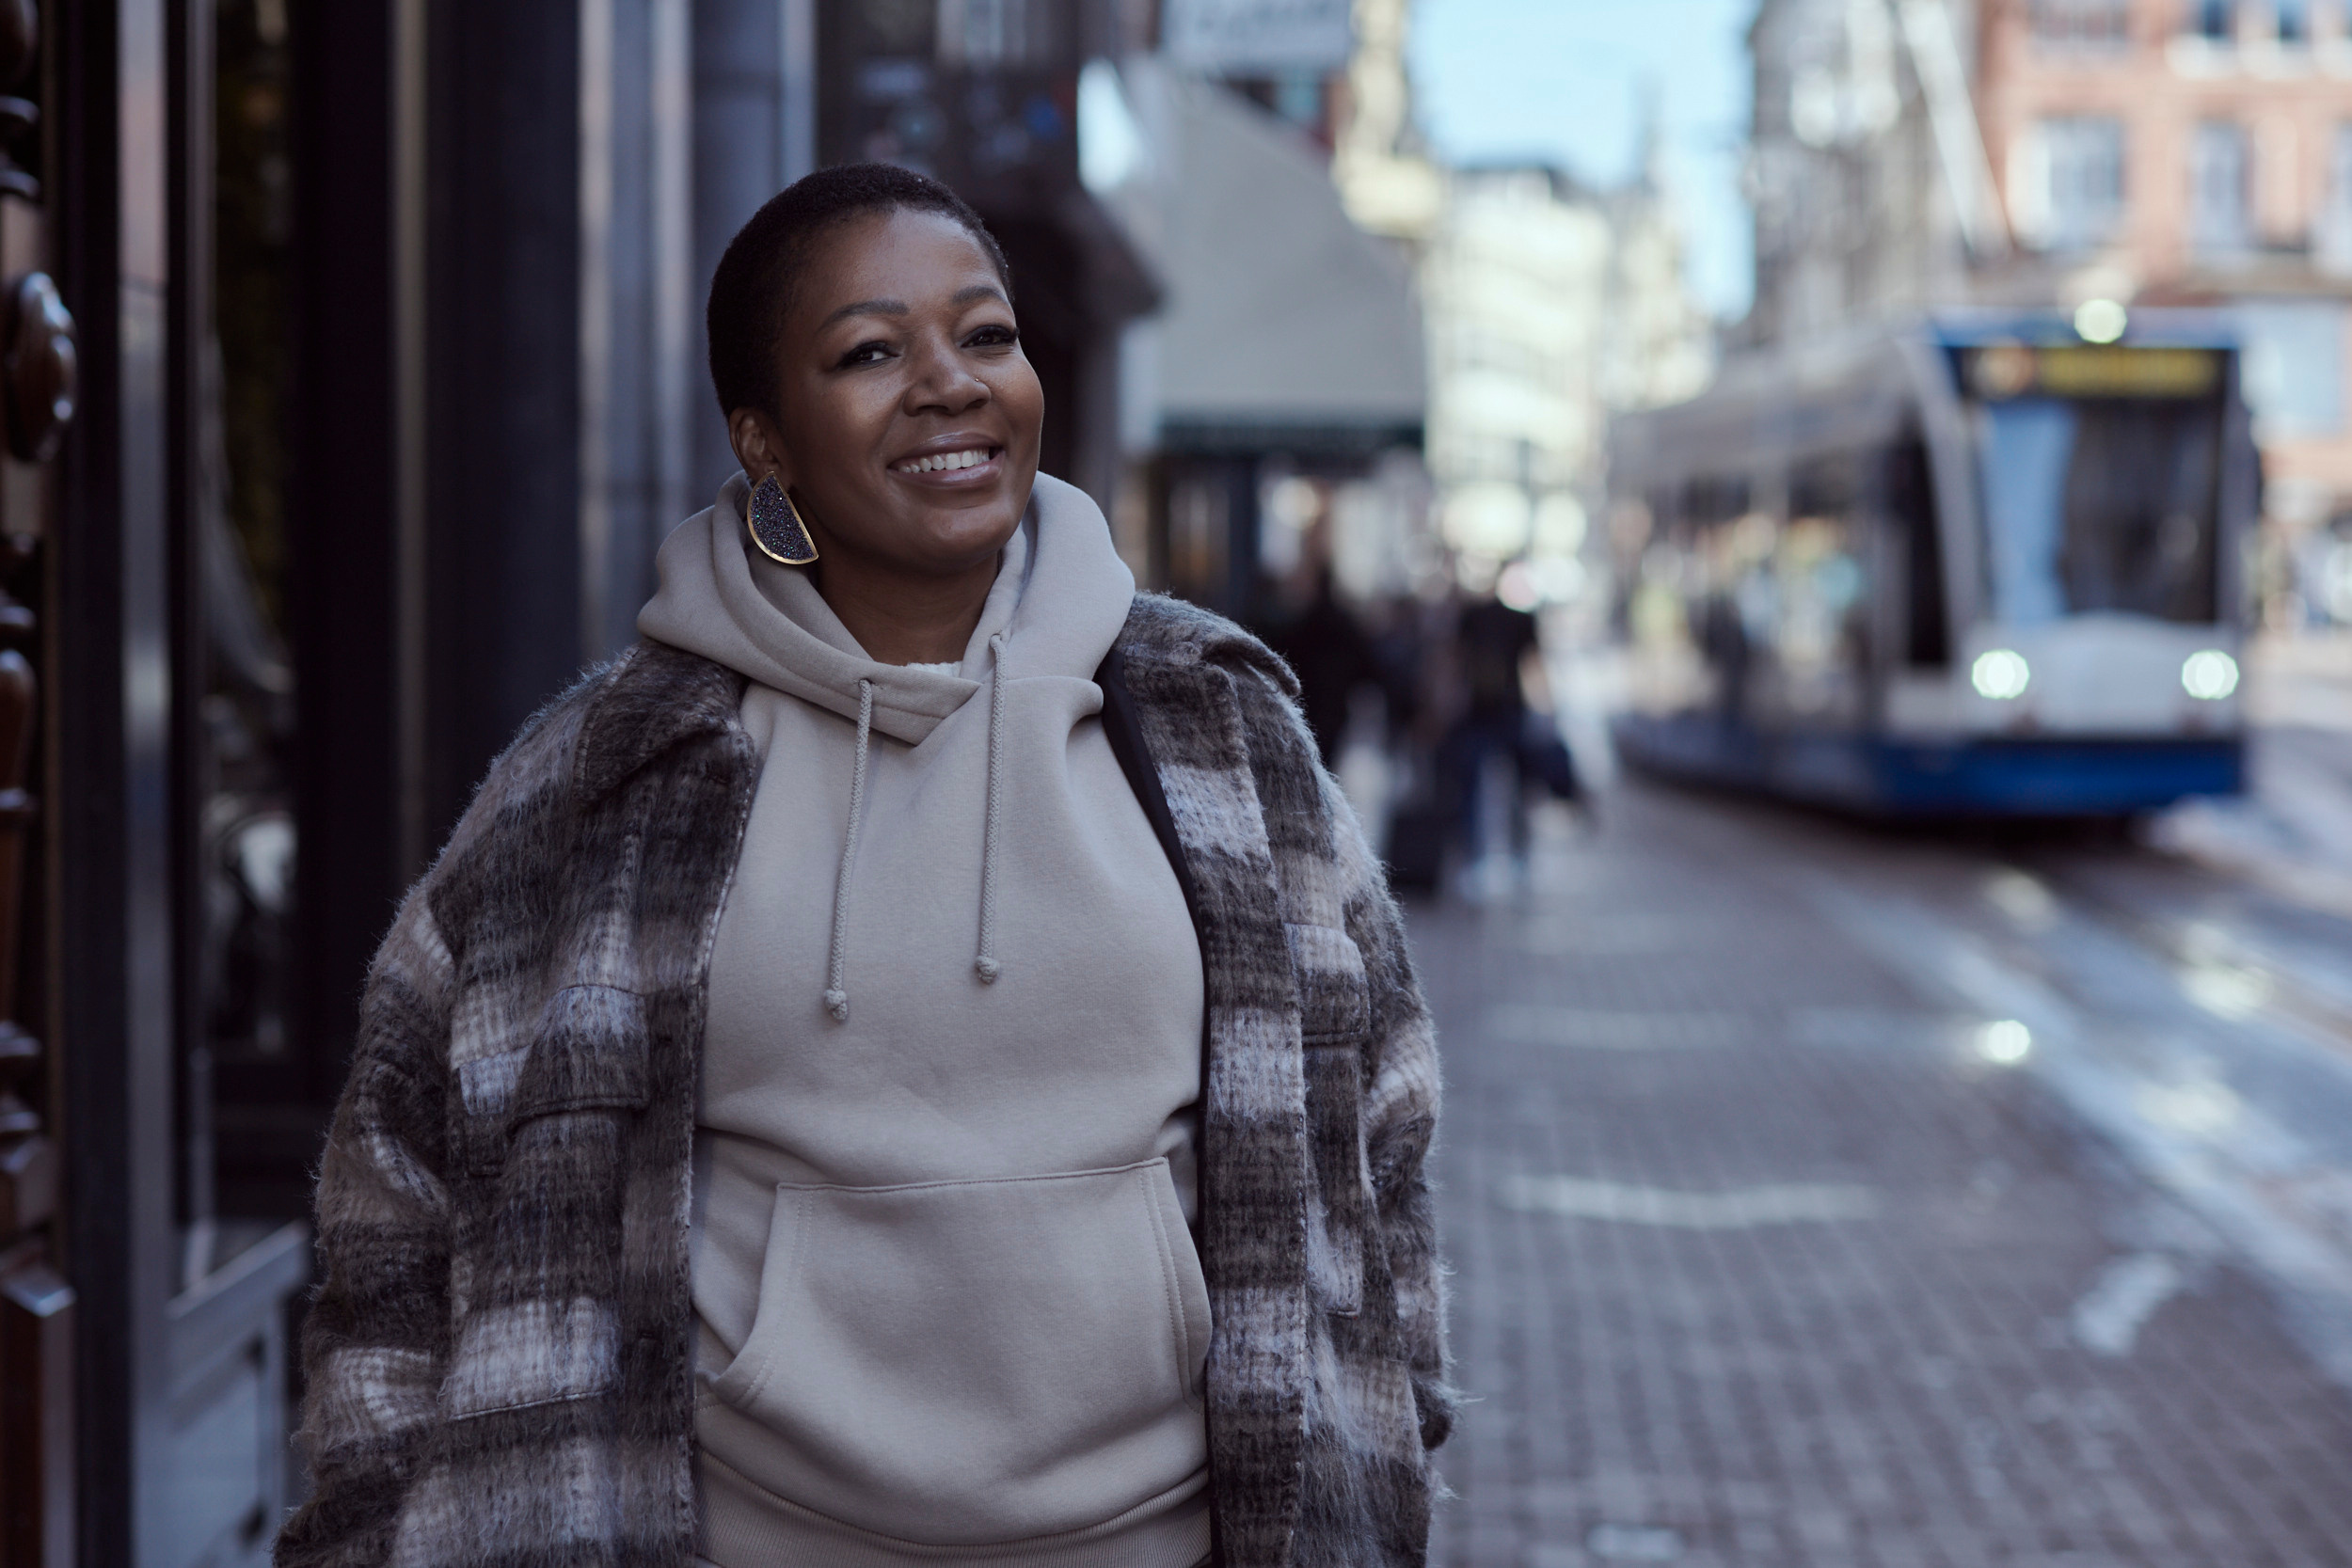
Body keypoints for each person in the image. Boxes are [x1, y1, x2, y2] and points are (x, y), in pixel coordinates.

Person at [274, 165, 1451, 1568]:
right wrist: (372, 1519)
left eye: (986, 336)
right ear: (762, 438)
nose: (950, 385)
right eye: (870, 352)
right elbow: (398, 1192)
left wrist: (1393, 1406)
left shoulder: (1217, 727)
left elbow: (1380, 1119)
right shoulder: (608, 778)